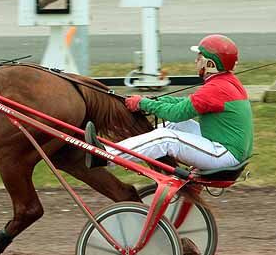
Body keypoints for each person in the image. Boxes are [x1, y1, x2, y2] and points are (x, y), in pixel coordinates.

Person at [86, 34, 253, 171]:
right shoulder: (226, 82)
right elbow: (185, 103)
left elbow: (177, 113)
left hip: (224, 155)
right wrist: (153, 100)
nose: (196, 61)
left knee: (166, 138)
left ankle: (106, 156)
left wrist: (144, 104)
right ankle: (131, 147)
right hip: (223, 145)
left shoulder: (216, 88)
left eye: (199, 57)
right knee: (172, 126)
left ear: (210, 64)